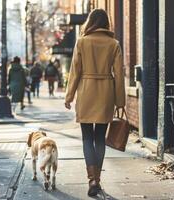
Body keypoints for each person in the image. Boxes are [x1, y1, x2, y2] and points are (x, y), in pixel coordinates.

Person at [65, 9, 125, 197]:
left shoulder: (82, 42)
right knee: (100, 138)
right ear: (107, 23)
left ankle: (91, 179)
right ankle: (96, 180)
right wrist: (120, 101)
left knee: (86, 138)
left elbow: (75, 72)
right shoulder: (113, 44)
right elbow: (119, 75)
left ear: (90, 22)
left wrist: (69, 96)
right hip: (106, 93)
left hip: (86, 92)